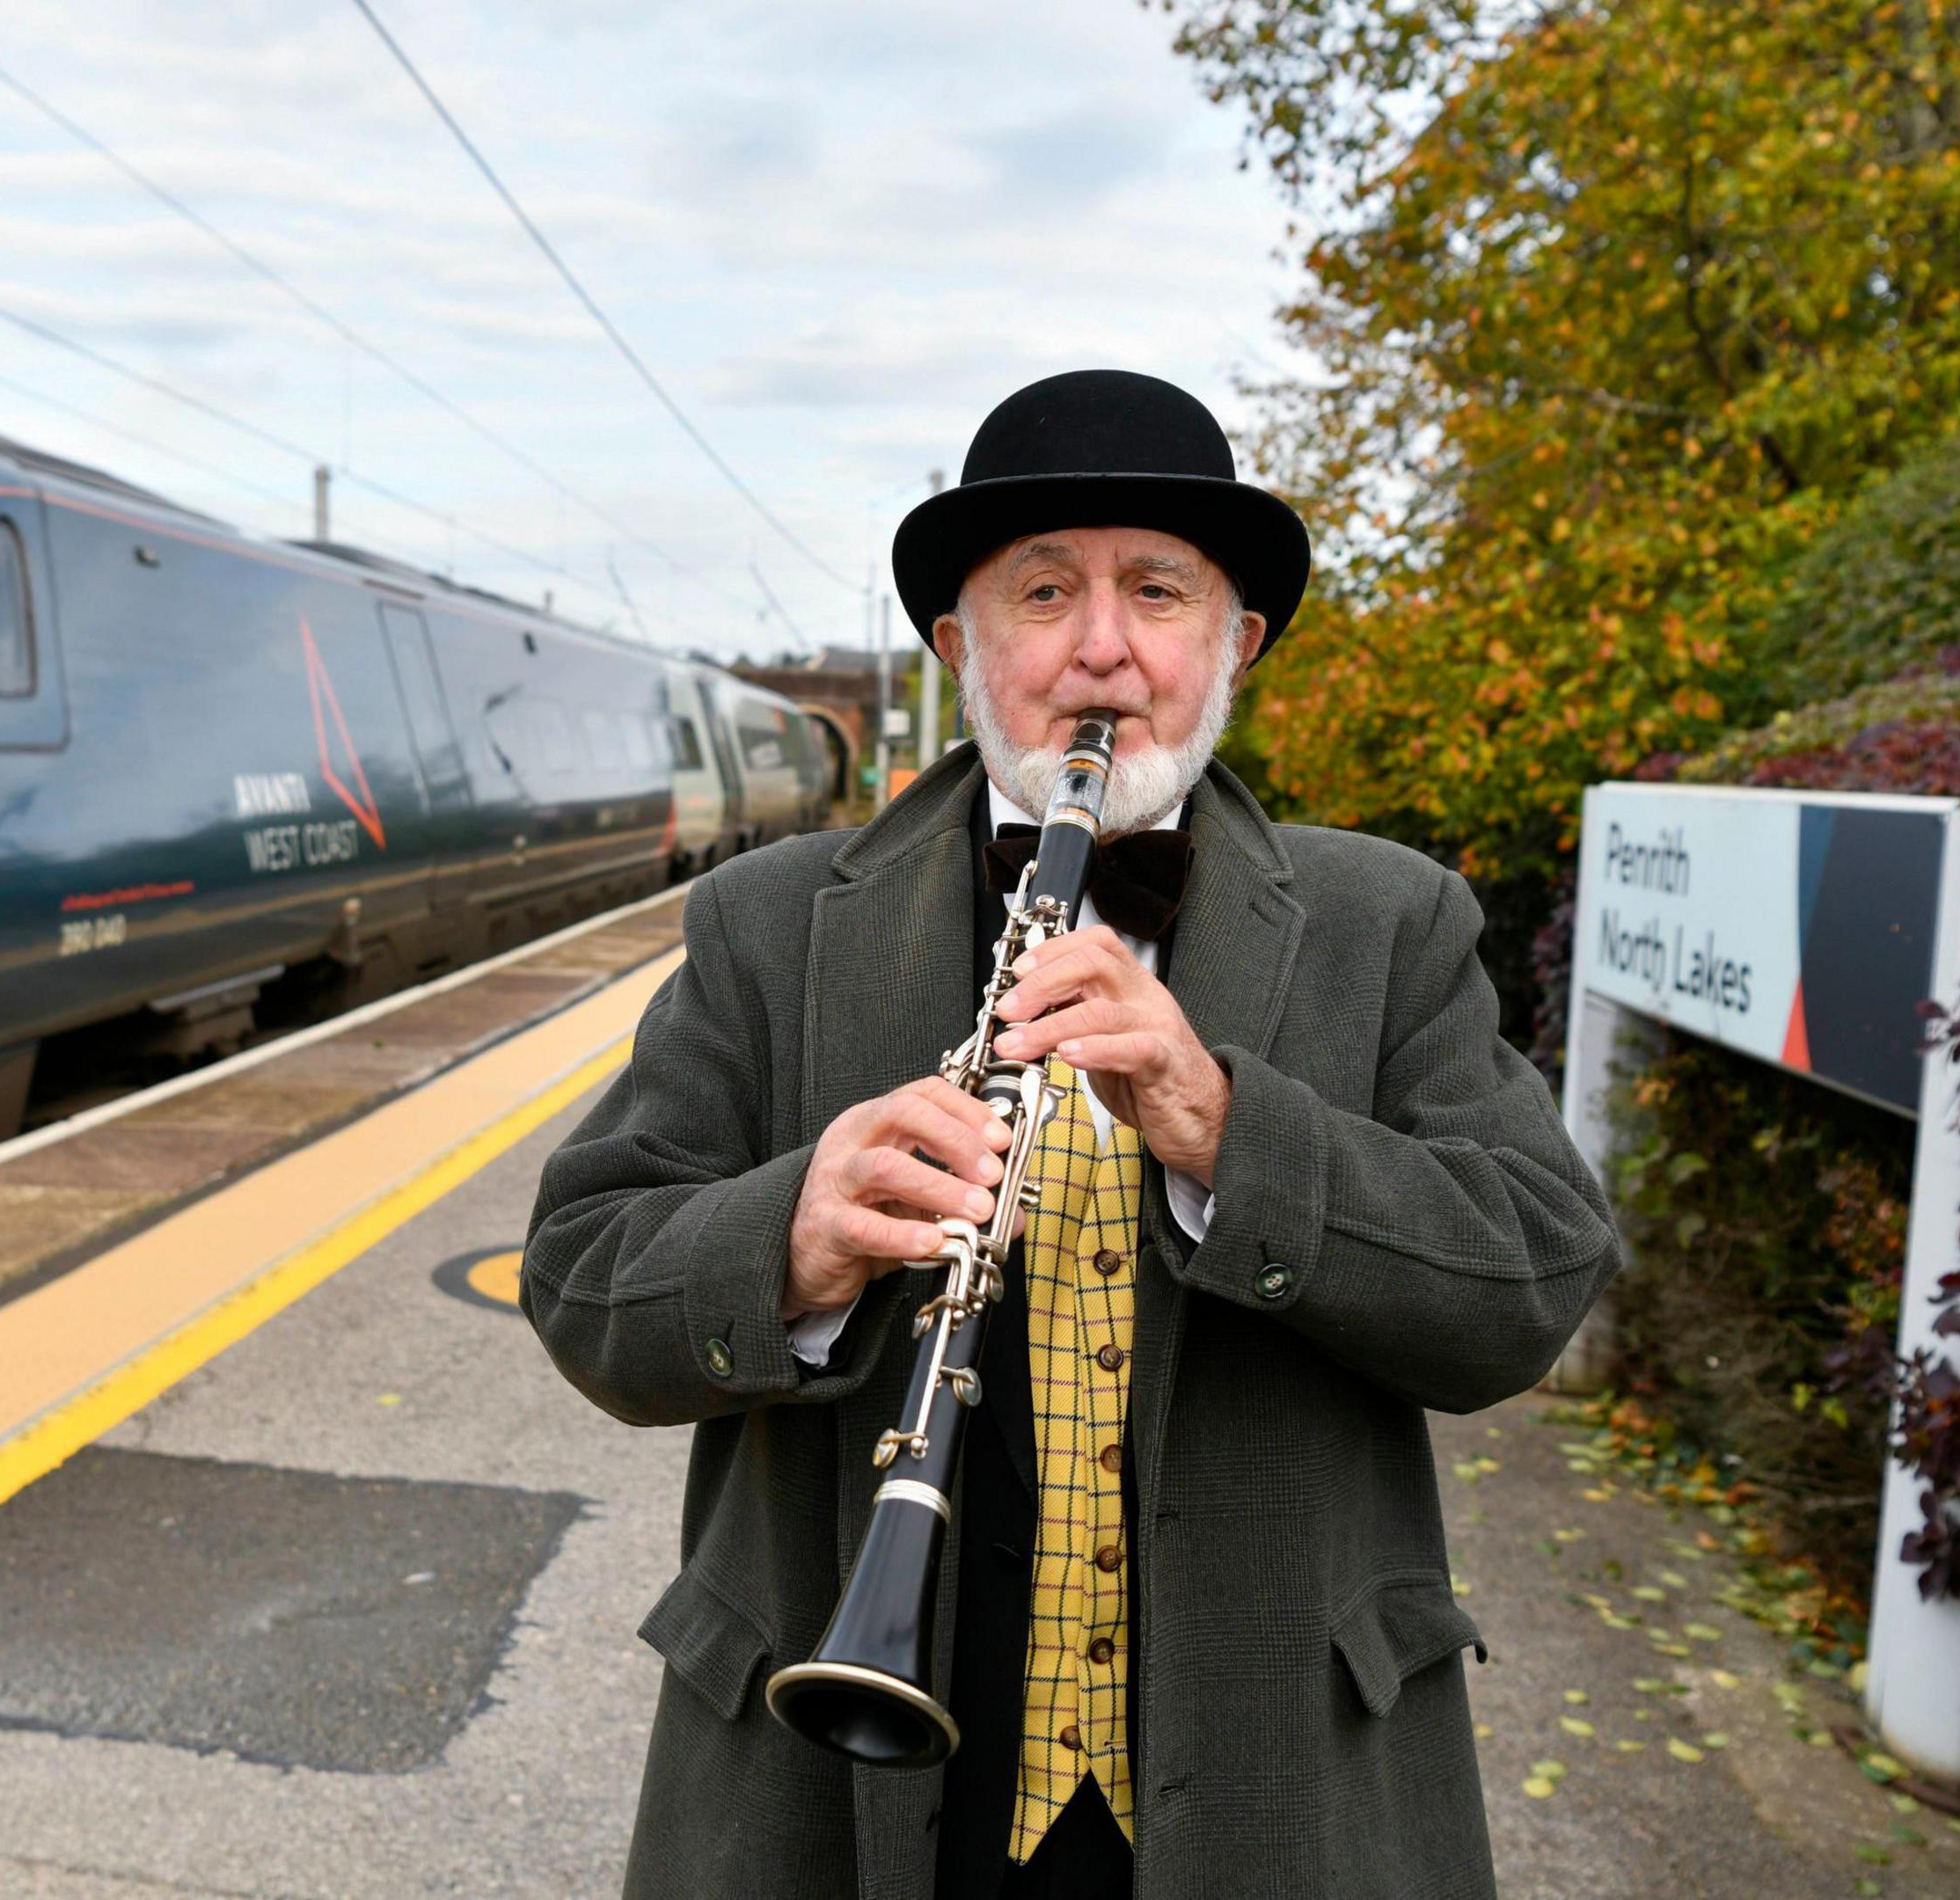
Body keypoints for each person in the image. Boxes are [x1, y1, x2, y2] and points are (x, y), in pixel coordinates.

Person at [523, 369, 1624, 1899]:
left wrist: (1228, 1132)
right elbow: (580, 1277)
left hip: (1274, 1785)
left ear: (1232, 645)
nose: (1103, 647)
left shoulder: (1392, 923)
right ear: (960, 648)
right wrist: (791, 1237)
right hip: (824, 1783)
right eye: (1045, 592)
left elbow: (1533, 1283)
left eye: (1158, 593)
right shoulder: (769, 927)